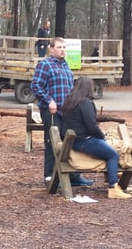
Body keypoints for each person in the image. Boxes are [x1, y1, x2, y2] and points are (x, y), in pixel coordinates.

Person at [31, 37, 93, 187]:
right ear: (51, 49)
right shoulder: (45, 65)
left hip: (67, 112)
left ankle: (73, 176)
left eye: (64, 47)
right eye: (59, 47)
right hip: (51, 112)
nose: (62, 50)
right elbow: (36, 85)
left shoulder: (66, 65)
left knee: (70, 142)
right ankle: (49, 177)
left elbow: (71, 90)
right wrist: (48, 101)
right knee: (53, 143)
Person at [62, 77, 131, 199]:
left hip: (72, 141)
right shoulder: (85, 102)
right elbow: (91, 126)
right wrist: (102, 136)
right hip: (84, 140)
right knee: (112, 154)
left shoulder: (69, 100)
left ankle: (111, 175)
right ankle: (113, 187)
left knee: (106, 150)